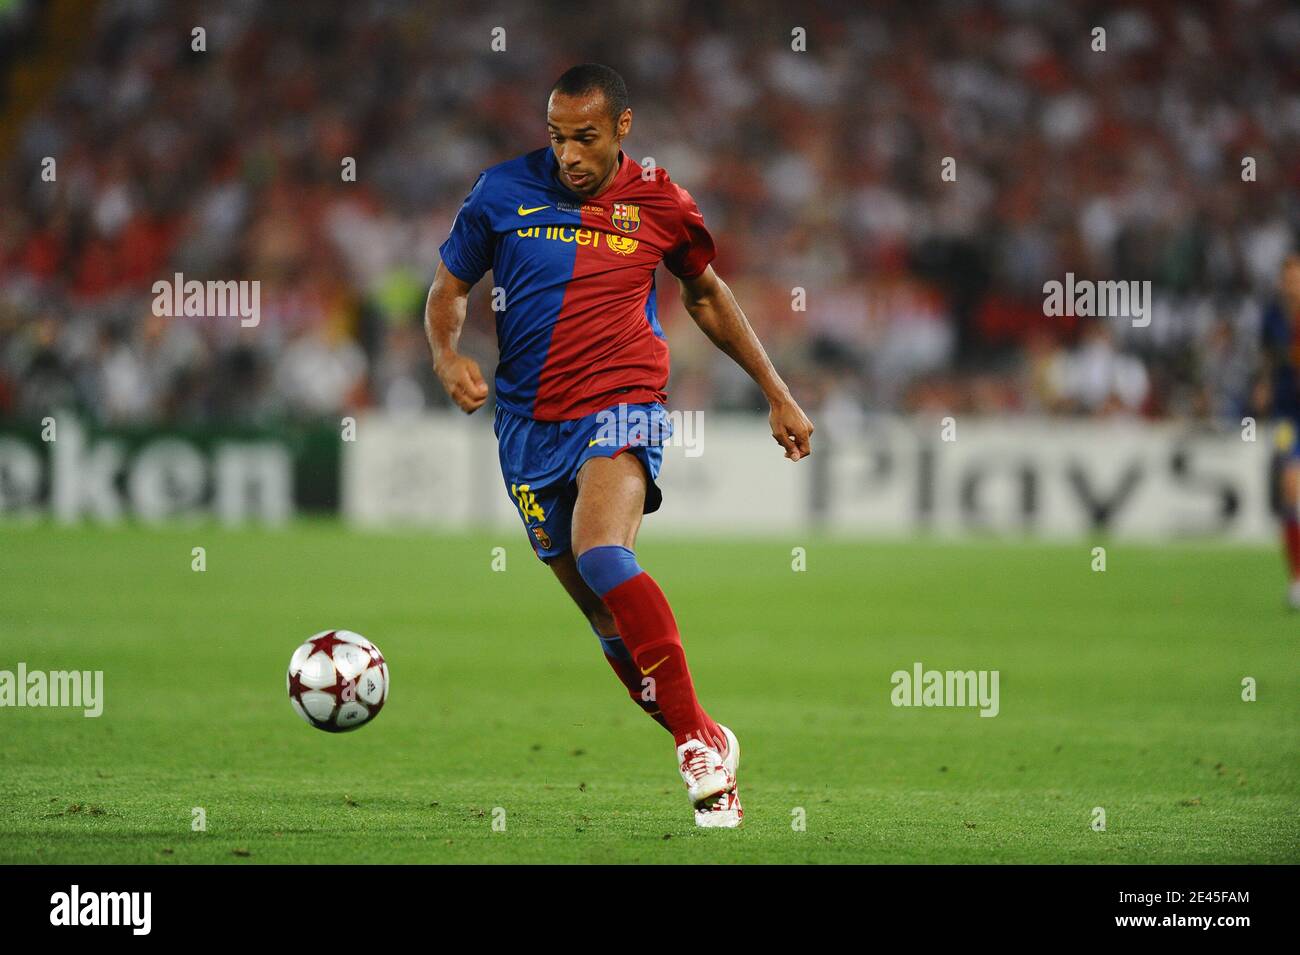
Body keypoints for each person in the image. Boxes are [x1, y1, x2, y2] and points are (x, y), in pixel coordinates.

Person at [424, 64, 814, 827]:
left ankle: (697, 758)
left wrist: (777, 390)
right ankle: (703, 734)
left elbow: (704, 293)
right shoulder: (500, 192)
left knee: (605, 554)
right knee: (606, 622)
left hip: (622, 403)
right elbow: (448, 290)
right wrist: (445, 354)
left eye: (586, 138)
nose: (569, 154)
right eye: (557, 137)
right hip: (526, 428)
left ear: (622, 129)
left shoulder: (662, 200)